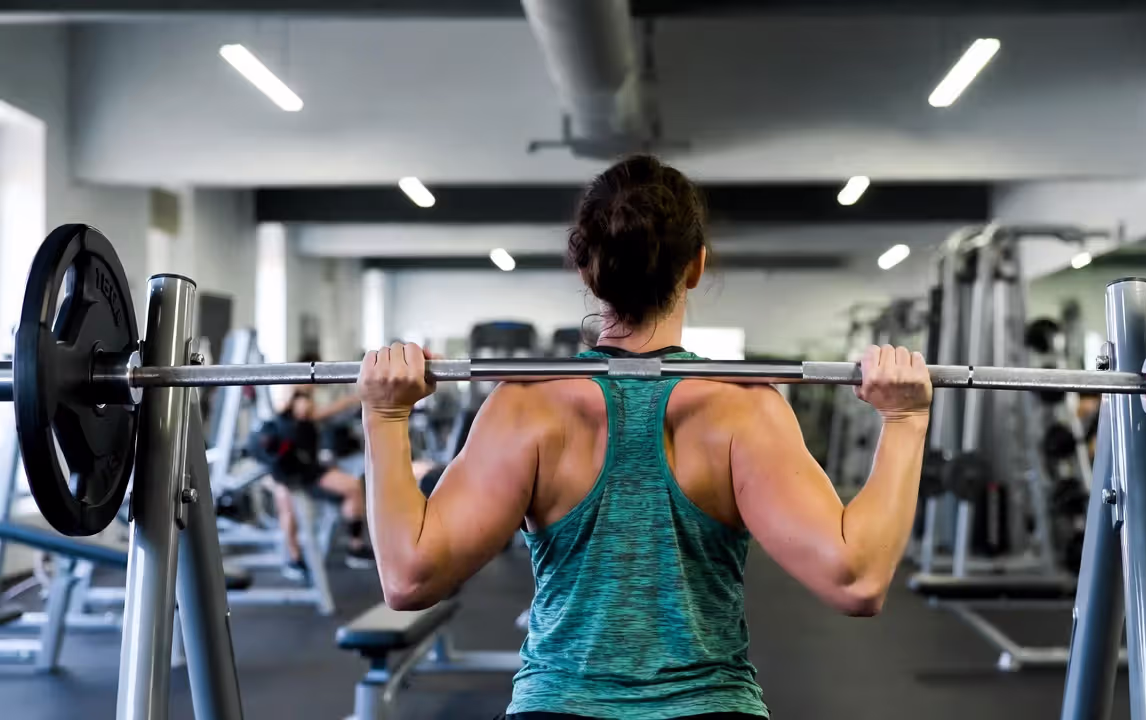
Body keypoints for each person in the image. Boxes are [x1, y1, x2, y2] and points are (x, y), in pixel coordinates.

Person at [357, 155, 933, 720]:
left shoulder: (525, 408)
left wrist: (386, 416)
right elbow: (857, 579)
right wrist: (904, 420)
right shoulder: (744, 411)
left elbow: (409, 577)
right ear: (696, 267)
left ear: (586, 269)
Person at [254, 389, 374, 574]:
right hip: (286, 478)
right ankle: (295, 558)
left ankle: (355, 547)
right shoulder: (279, 425)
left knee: (352, 486)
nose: (306, 406)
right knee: (286, 505)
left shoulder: (310, 422)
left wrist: (357, 397)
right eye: (302, 402)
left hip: (311, 474)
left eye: (308, 403)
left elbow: (333, 410)